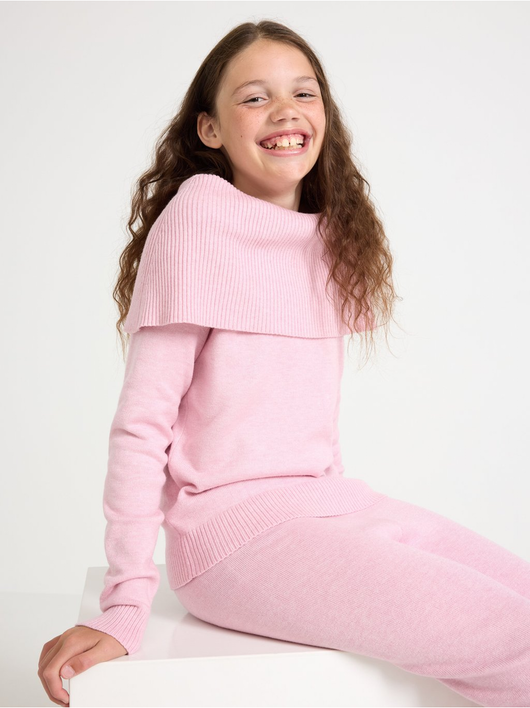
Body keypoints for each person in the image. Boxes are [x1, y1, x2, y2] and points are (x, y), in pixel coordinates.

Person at [38, 19, 530, 708]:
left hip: (328, 507)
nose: (285, 111)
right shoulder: (196, 221)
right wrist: (125, 603)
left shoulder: (332, 236)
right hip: (231, 543)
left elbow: (303, 427)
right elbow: (141, 428)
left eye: (304, 92)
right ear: (210, 129)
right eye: (255, 97)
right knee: (511, 635)